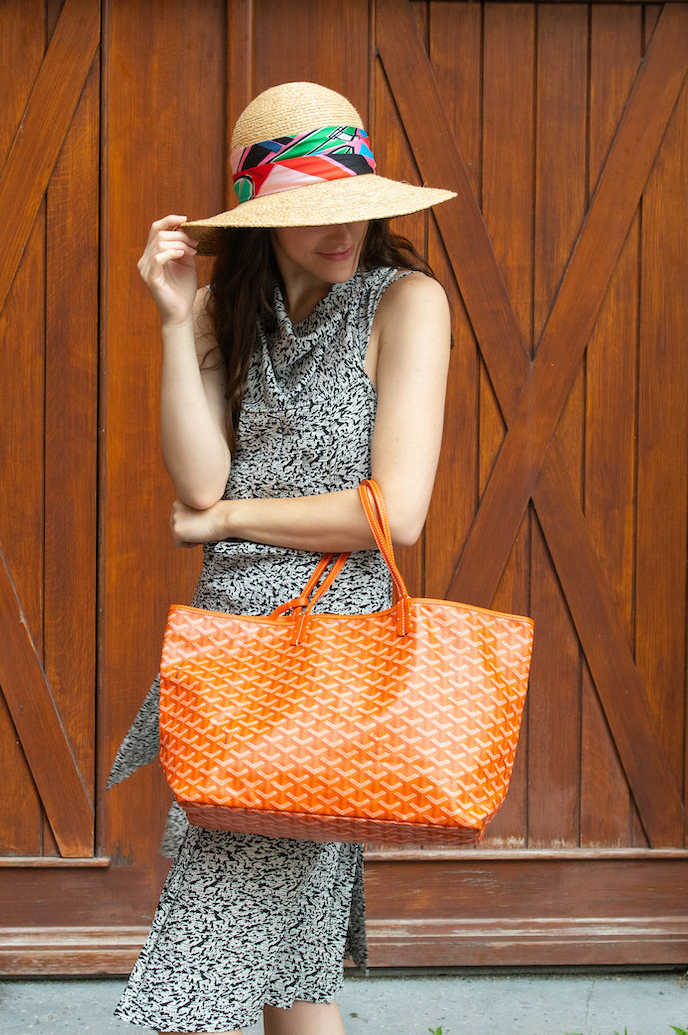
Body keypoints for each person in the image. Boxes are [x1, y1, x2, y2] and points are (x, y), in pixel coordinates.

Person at [108, 81, 455, 1035]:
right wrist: (175, 321)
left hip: (328, 665)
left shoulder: (406, 303)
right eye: (313, 215)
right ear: (263, 220)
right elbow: (198, 478)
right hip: (232, 655)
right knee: (292, 975)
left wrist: (231, 521)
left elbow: (396, 513)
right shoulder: (229, 307)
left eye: (355, 206)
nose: (342, 231)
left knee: (200, 974)